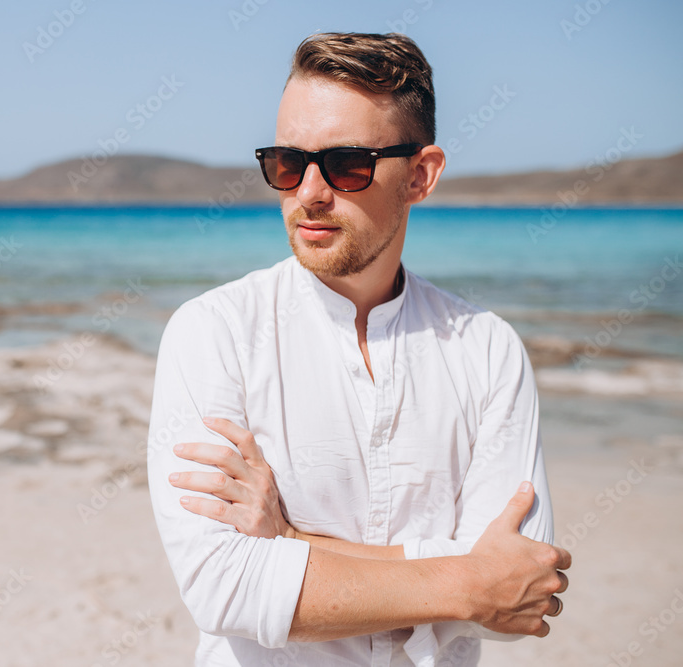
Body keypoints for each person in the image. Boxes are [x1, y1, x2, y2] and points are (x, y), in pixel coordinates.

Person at [146, 32, 570, 666]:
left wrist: (288, 539)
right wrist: (465, 579)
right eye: (288, 163)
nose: (310, 192)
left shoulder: (487, 350)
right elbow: (225, 587)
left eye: (348, 164)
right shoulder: (214, 333)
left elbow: (520, 601)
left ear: (420, 176)